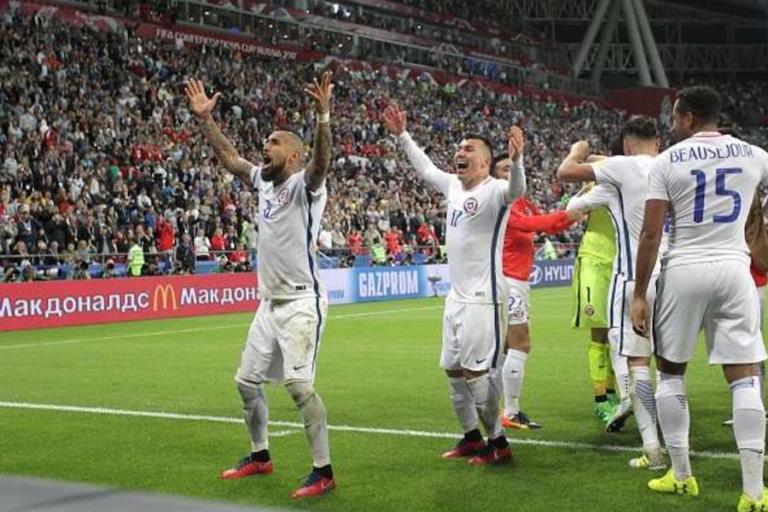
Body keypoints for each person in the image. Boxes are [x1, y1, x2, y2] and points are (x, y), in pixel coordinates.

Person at [186, 72, 336, 499]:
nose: (264, 147)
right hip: (268, 305)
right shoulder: (265, 185)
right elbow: (231, 158)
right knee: (246, 383)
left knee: (299, 387)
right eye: (266, 141)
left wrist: (322, 116)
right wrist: (205, 121)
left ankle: (323, 470)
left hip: (302, 303)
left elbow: (321, 163)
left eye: (273, 143)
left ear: (293, 156)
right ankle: (260, 455)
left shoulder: (306, 187)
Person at [631, 85, 768, 510]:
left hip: (685, 268)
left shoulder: (667, 161)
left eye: (674, 118)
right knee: (744, 377)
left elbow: (652, 233)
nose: (672, 127)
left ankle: (683, 476)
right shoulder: (756, 155)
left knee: (671, 374)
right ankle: (753, 491)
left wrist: (639, 294)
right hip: (735, 269)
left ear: (689, 118)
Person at [382, 103, 525, 465]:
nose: (459, 153)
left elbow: (517, 190)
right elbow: (425, 167)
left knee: (477, 374)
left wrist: (518, 159)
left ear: (484, 162)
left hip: (484, 298)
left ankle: (499, 443)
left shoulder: (496, 190)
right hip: (456, 299)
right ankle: (472, 437)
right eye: (458, 148)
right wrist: (402, 135)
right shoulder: (453, 186)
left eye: (468, 149)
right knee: (453, 370)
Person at [560, 116, 667, 471]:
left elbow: (567, 179)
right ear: (659, 141)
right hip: (676, 275)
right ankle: (681, 460)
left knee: (634, 360)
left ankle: (652, 448)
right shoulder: (674, 162)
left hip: (633, 277)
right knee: (671, 366)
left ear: (626, 144)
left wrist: (579, 152)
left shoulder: (620, 168)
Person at [492, 152, 580, 430]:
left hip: (517, 281)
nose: (511, 174)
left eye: (513, 168)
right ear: (494, 178)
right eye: (504, 170)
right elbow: (534, 225)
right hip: (507, 281)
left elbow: (543, 221)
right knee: (521, 343)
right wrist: (569, 215)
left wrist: (572, 208)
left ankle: (500, 407)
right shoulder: (502, 204)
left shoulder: (524, 202)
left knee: (508, 346)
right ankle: (511, 410)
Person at [569, 143, 620, 425]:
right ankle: (602, 400)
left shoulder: (636, 177)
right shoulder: (596, 186)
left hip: (622, 262)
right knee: (599, 334)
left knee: (618, 335)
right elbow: (572, 212)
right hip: (594, 260)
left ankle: (617, 394)